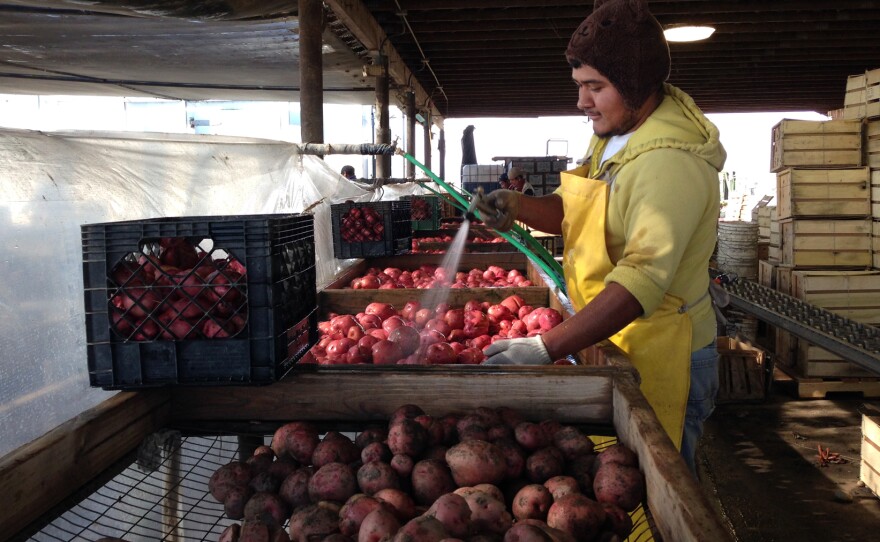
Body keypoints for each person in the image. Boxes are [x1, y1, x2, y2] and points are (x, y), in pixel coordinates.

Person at [477, 0, 726, 475]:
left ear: (636, 86)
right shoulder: (615, 137)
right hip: (612, 334)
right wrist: (519, 207)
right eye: (580, 86)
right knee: (618, 477)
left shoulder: (670, 164)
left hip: (664, 349)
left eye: (596, 87)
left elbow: (640, 283)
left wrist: (545, 347)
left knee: (663, 485)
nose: (582, 103)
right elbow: (578, 210)